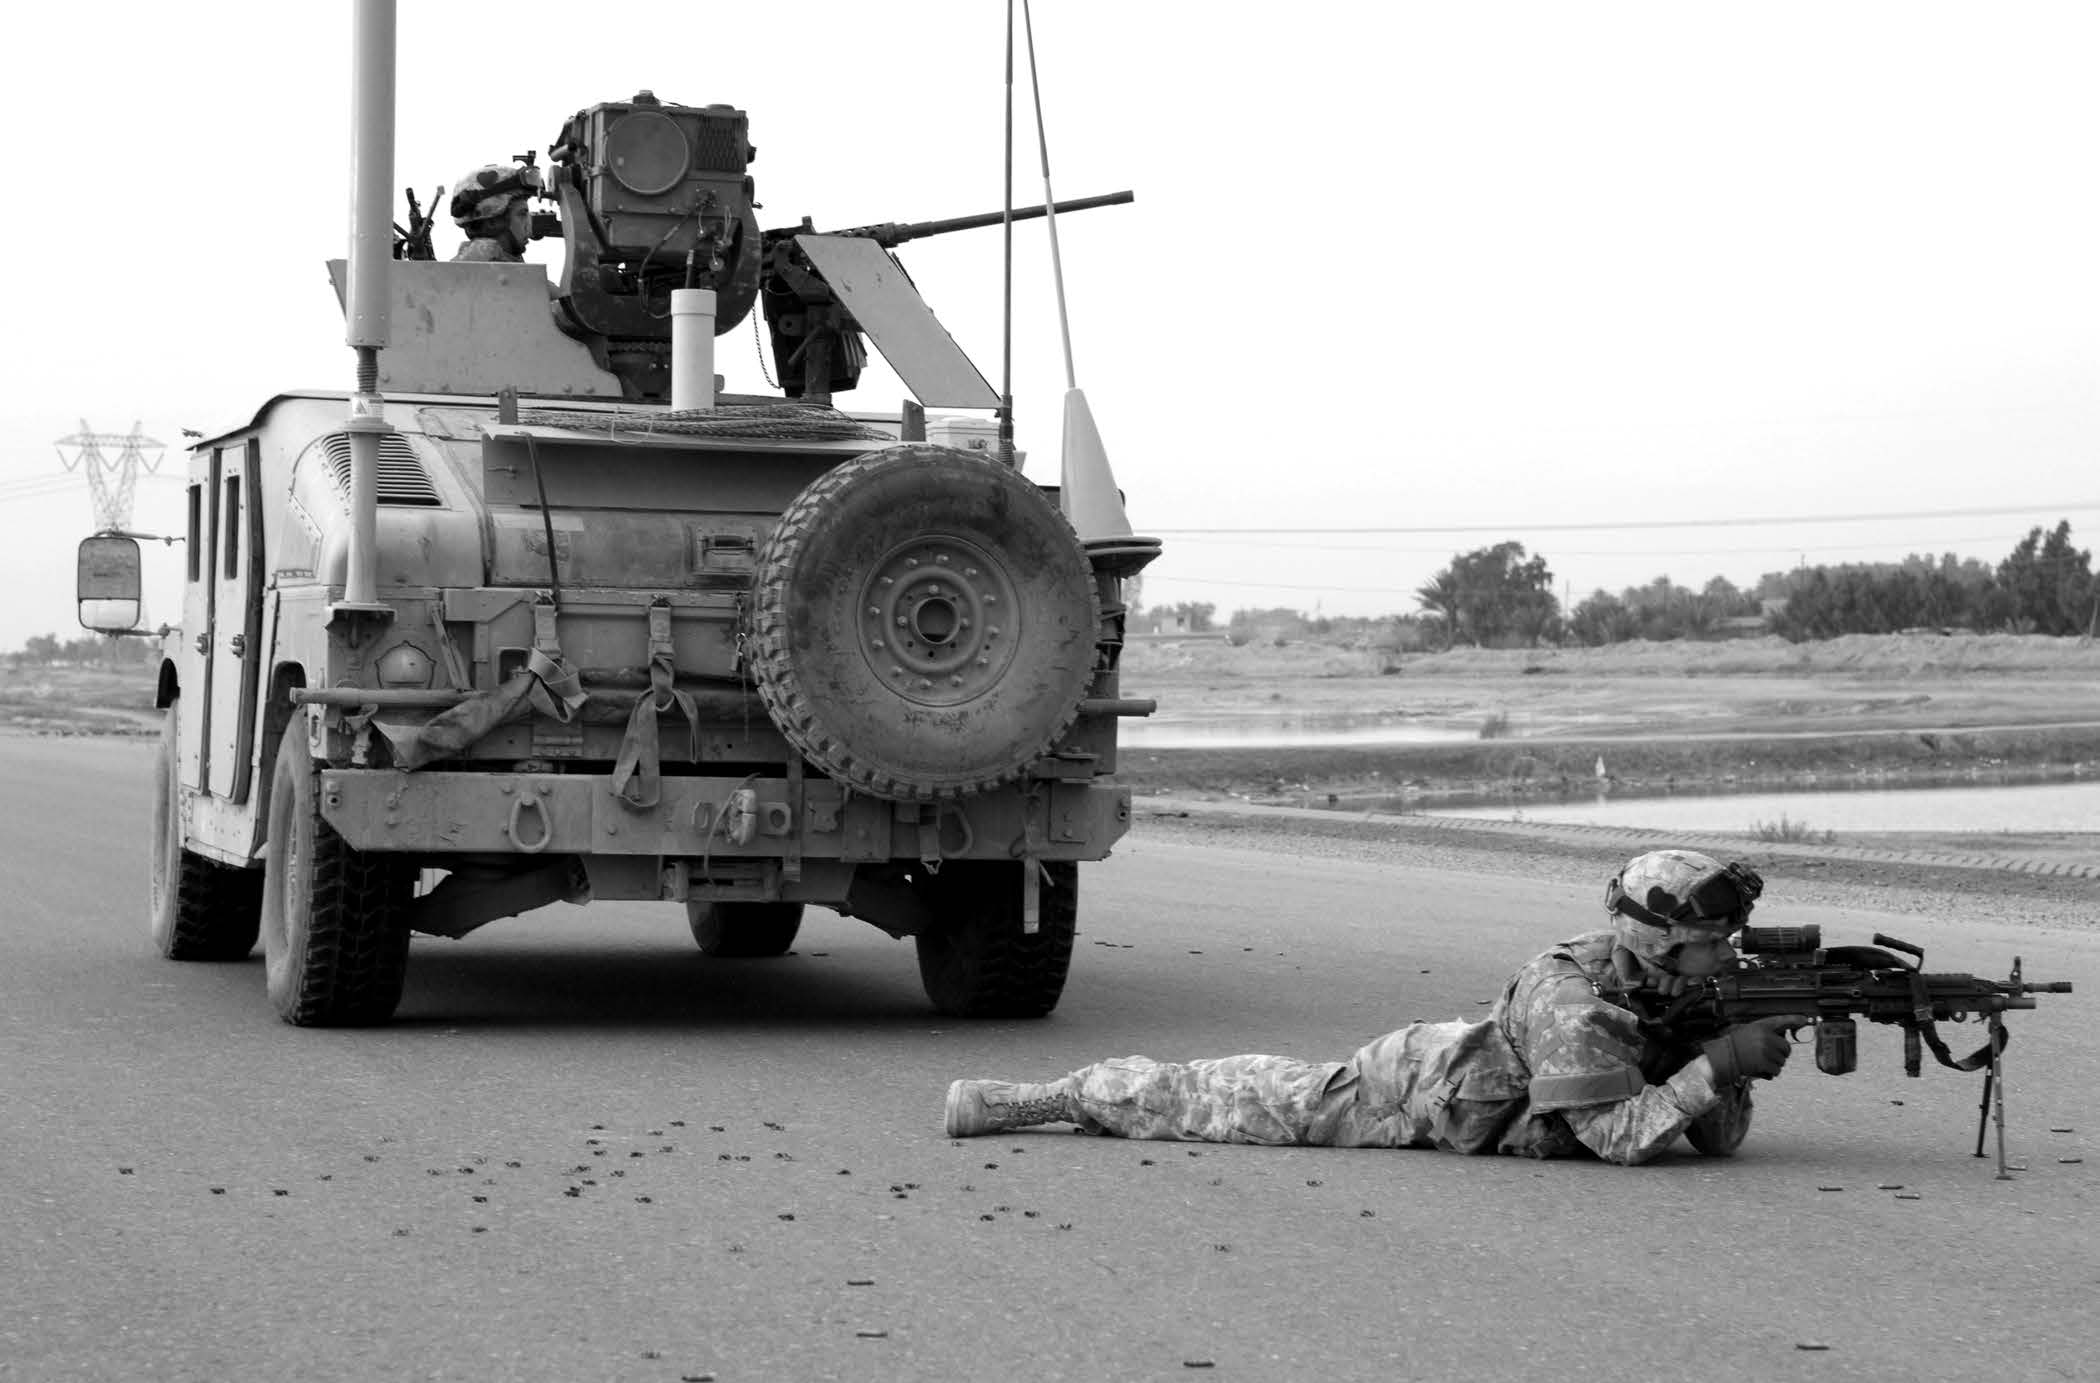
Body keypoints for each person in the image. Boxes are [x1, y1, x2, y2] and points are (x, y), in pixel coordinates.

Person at [944, 848, 1810, 1166]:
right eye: (1711, 939)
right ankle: (1047, 1098)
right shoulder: (1571, 1002)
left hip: (1481, 1090)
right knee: (1215, 1099)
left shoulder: (1677, 986)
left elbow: (1714, 1139)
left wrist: (1720, 1056)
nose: (1727, 951)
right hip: (1404, 1090)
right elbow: (1619, 1138)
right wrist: (1722, 1063)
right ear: (1657, 941)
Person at [448, 163, 542, 263]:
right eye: (522, 214)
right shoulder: (487, 272)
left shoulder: (502, 269)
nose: (529, 226)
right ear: (492, 223)